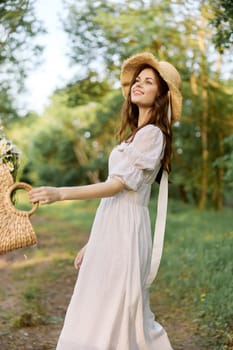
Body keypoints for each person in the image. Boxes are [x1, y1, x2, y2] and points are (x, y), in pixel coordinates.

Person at [29, 52, 182, 350]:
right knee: (97, 301)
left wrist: (61, 193)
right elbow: (114, 199)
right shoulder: (134, 136)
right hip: (111, 227)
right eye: (137, 80)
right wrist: (93, 241)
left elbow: (117, 187)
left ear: (161, 95)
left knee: (116, 305)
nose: (138, 84)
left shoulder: (153, 134)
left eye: (148, 82)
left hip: (127, 231)